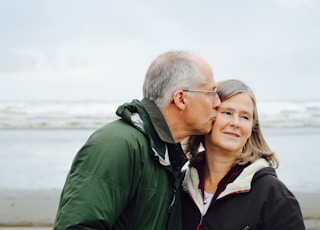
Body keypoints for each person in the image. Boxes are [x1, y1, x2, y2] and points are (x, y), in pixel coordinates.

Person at [53, 50, 221, 229]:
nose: (217, 102)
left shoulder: (165, 155)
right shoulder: (118, 145)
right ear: (181, 99)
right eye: (211, 92)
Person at [181, 79, 305, 230]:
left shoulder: (273, 194)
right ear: (209, 117)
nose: (236, 123)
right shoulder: (182, 185)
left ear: (252, 128)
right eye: (227, 113)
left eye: (245, 117)